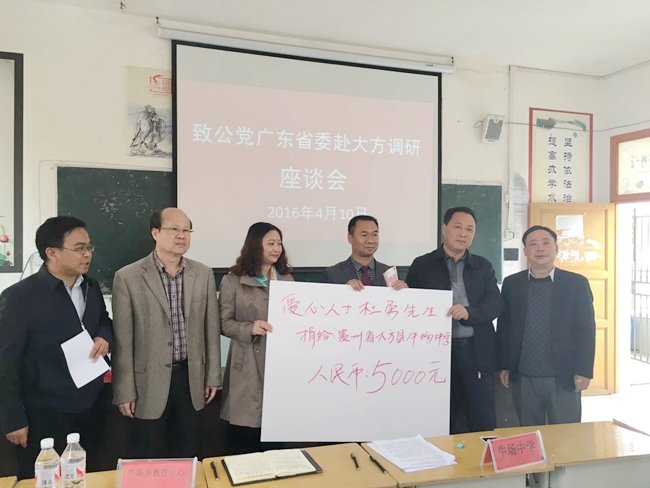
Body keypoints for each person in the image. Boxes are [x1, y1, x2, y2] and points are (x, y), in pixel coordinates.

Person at [0, 216, 113, 479]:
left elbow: (103, 321)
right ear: (51, 253)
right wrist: (13, 418)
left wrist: (104, 337)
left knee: (91, 475)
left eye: (89, 248)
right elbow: (5, 362)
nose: (87, 255)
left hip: (92, 403)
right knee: (46, 479)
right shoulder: (20, 297)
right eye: (79, 248)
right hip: (44, 411)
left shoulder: (90, 287)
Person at [111, 208, 221, 458]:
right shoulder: (128, 277)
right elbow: (123, 340)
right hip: (147, 382)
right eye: (174, 229)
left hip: (191, 378)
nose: (181, 236)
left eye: (186, 230)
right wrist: (124, 390)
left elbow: (211, 328)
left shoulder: (203, 273)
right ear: (155, 233)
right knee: (151, 453)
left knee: (189, 451)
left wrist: (213, 375)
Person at [405, 206, 502, 434]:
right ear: (444, 228)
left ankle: (483, 454)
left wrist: (469, 313)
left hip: (475, 352)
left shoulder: (483, 266)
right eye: (458, 227)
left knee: (481, 415)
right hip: (436, 353)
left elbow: (496, 304)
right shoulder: (422, 264)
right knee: (440, 415)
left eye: (469, 229)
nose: (463, 234)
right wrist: (402, 291)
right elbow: (411, 306)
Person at [497, 225, 595, 426]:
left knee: (566, 436)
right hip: (523, 376)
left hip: (563, 377)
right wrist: (504, 364)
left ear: (556, 249)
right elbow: (505, 327)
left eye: (546, 243)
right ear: (525, 251)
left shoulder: (576, 284)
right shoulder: (512, 283)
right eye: (533, 244)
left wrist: (584, 370)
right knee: (529, 435)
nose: (540, 248)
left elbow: (587, 330)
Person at [219, 222, 293, 454]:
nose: (277, 248)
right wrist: (250, 328)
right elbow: (223, 323)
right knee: (246, 437)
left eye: (279, 243)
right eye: (270, 243)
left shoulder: (287, 280)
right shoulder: (232, 280)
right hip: (247, 365)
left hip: (279, 364)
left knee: (275, 438)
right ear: (255, 246)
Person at [322, 215, 408, 290]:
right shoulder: (332, 274)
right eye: (364, 235)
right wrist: (344, 292)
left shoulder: (390, 273)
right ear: (350, 238)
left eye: (375, 235)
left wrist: (406, 293)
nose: (371, 240)